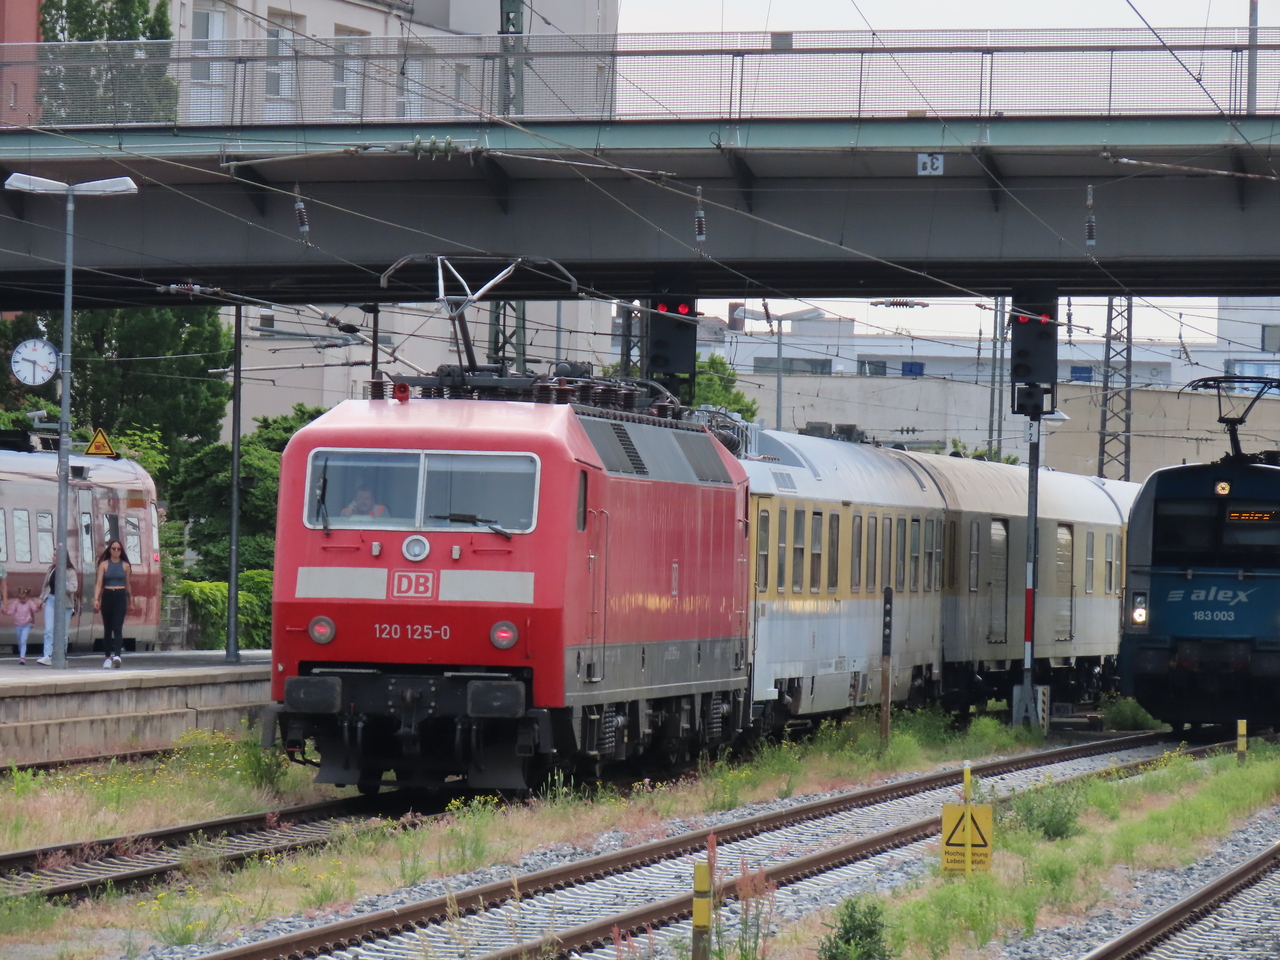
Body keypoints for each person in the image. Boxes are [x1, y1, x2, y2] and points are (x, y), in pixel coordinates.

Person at [93, 541, 131, 669]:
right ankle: (107, 657)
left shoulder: (125, 566)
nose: (116, 551)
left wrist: (130, 598)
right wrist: (96, 599)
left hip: (120, 595)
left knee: (117, 627)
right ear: (109, 550)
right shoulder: (104, 564)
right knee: (108, 628)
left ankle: (117, 656)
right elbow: (99, 583)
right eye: (113, 548)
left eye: (118, 549)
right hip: (108, 595)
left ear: (121, 551)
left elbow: (128, 584)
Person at [37, 557, 79, 667]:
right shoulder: (52, 569)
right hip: (51, 599)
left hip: (65, 603)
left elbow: (74, 587)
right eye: (54, 555)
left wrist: (62, 581)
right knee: (49, 629)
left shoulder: (70, 571)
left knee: (63, 632)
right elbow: (45, 586)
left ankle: (62, 654)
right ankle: (48, 655)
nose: (53, 558)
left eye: (56, 555)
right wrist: (41, 599)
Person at [5, 587, 40, 665]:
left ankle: (22, 657)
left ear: (27, 597)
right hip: (18, 624)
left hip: (26, 624)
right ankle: (21, 653)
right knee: (19, 640)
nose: (22, 600)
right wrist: (6, 611)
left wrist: (38, 607)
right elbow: (11, 611)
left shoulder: (29, 603)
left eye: (24, 598)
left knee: (23, 640)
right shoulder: (16, 603)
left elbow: (35, 609)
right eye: (20, 598)